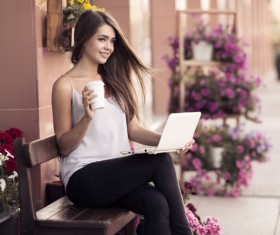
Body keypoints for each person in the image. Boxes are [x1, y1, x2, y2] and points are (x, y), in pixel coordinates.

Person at [52, 10, 194, 235]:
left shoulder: (116, 80)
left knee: (157, 203)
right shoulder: (64, 85)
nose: (108, 46)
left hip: (115, 176)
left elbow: (134, 129)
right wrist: (87, 119)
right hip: (82, 179)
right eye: (102, 39)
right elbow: (63, 146)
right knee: (159, 161)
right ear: (83, 39)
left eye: (112, 41)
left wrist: (172, 141)